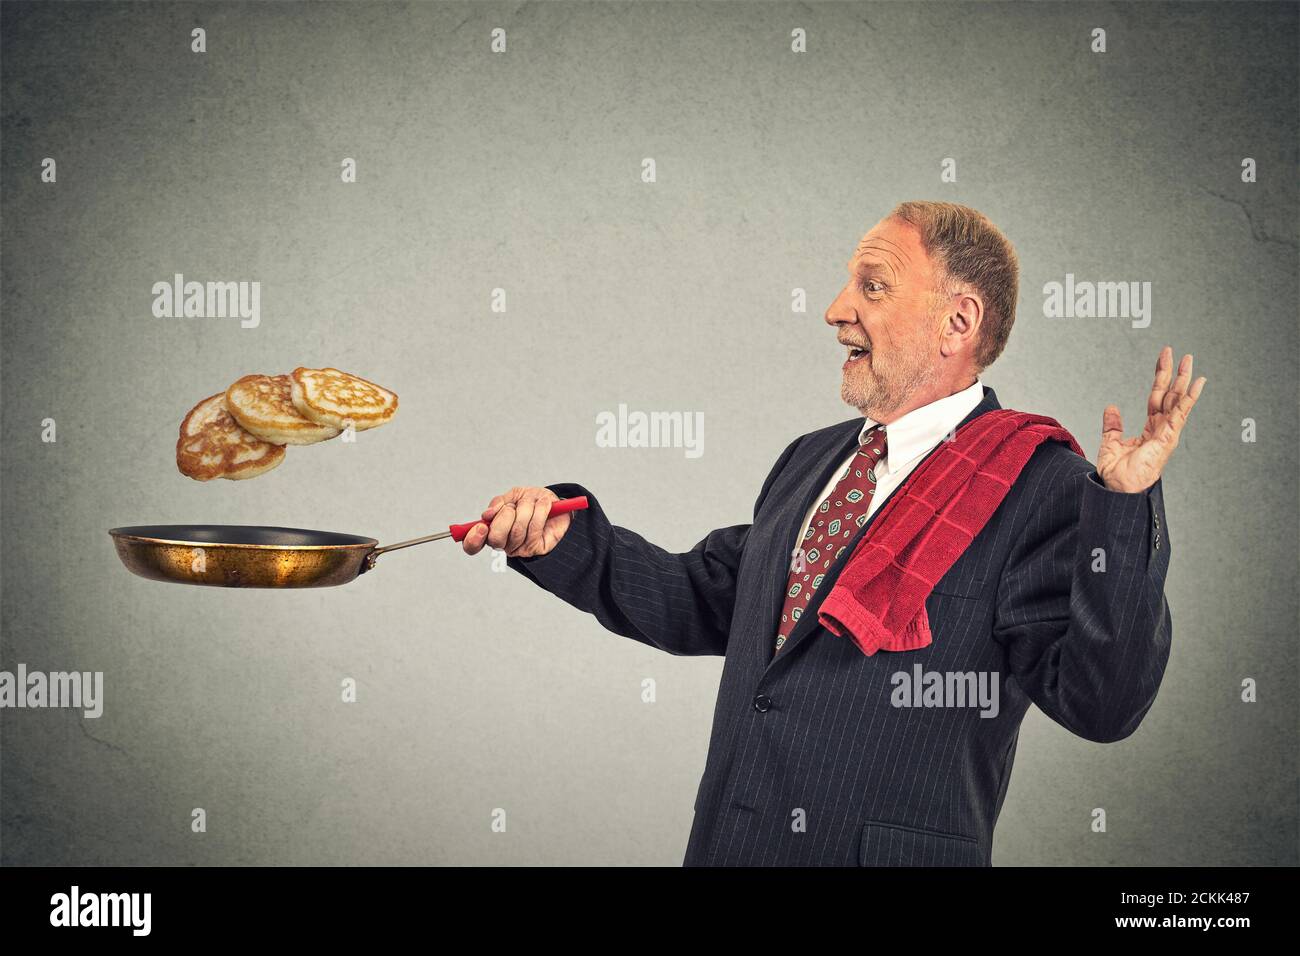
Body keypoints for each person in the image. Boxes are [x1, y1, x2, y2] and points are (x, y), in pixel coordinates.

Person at [461, 200, 1205, 866]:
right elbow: (711, 596)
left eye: (872, 287)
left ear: (959, 322)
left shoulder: (1039, 484)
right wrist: (560, 539)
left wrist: (1123, 505)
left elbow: (1102, 705)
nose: (835, 309)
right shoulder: (815, 458)